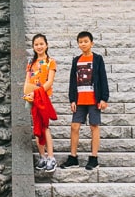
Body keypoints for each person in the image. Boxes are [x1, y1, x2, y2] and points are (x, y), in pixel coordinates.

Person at [62, 30, 109, 170]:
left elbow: (103, 79)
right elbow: (72, 81)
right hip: (80, 100)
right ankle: (73, 157)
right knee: (74, 126)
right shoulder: (76, 60)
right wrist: (72, 99)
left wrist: (104, 98)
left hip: (94, 100)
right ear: (78, 44)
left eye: (86, 41)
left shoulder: (98, 59)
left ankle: (94, 158)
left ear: (91, 43)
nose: (83, 44)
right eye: (80, 42)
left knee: (94, 126)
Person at [23, 33, 57, 173]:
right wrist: (27, 95)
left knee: (45, 127)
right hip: (32, 98)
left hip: (44, 97)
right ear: (33, 46)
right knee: (37, 128)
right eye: (36, 44)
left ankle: (51, 157)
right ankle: (42, 156)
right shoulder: (31, 63)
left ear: (46, 45)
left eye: (41, 44)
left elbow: (49, 82)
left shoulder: (51, 62)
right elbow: (27, 81)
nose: (39, 46)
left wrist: (36, 93)